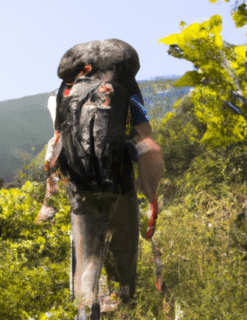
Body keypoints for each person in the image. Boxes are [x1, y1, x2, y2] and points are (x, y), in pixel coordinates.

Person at [44, 39, 163, 319]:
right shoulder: (128, 90)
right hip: (120, 185)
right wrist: (151, 199)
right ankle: (124, 309)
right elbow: (145, 138)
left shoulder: (66, 91)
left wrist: (51, 193)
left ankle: (86, 311)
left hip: (81, 189)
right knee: (123, 262)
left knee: (87, 263)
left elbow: (57, 140)